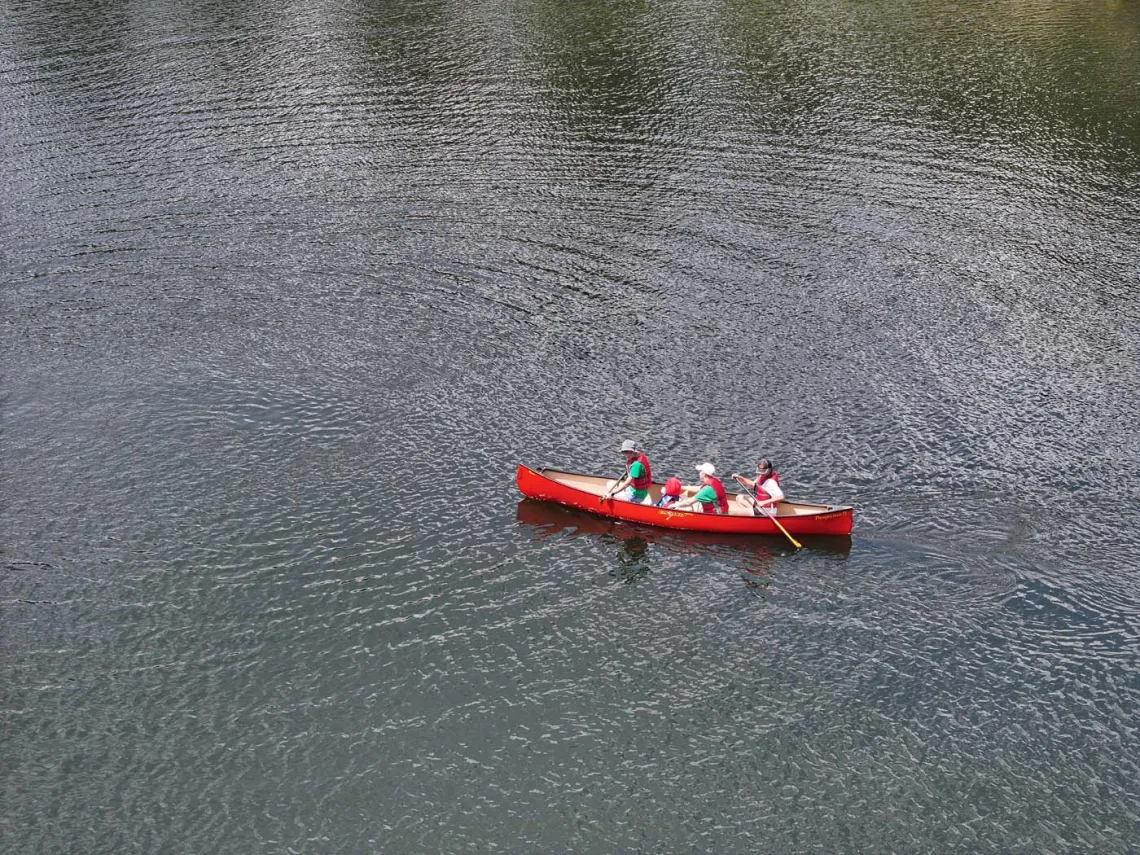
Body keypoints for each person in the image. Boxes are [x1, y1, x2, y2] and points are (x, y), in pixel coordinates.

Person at [602, 440, 653, 504]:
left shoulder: (636, 465)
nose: (627, 455)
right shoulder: (639, 455)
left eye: (630, 452)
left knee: (611, 497)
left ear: (634, 451)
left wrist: (612, 493)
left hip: (637, 495)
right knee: (609, 483)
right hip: (635, 490)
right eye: (625, 452)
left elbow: (627, 483)